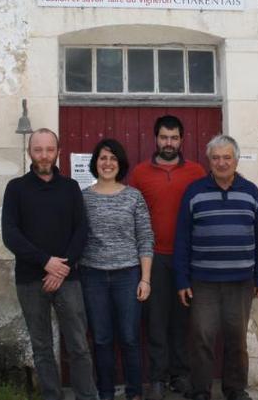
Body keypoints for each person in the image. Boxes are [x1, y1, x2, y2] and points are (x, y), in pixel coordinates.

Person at [1, 128, 98, 400]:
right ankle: (51, 396)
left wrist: (62, 268)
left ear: (58, 152)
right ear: (29, 152)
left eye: (49, 150)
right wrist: (46, 262)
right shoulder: (16, 188)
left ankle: (86, 396)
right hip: (30, 280)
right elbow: (10, 235)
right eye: (38, 150)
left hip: (68, 279)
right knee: (42, 346)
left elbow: (81, 231)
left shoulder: (70, 188)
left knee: (78, 344)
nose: (44, 156)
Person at [173, 134, 258, 400]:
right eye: (216, 157)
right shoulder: (194, 192)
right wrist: (182, 280)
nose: (222, 163)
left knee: (236, 340)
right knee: (201, 338)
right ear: (209, 160)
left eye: (227, 157)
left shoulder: (251, 192)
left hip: (241, 282)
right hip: (203, 282)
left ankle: (235, 390)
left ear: (236, 160)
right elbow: (182, 238)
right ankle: (201, 390)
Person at [130, 115, 205, 400]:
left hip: (188, 258)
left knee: (183, 320)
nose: (169, 143)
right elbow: (133, 216)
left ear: (182, 140)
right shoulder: (139, 173)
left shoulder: (197, 172)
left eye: (174, 138)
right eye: (164, 137)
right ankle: (158, 378)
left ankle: (180, 375)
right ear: (156, 138)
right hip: (154, 258)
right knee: (156, 320)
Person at [80, 138, 154, 400]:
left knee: (130, 337)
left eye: (112, 158)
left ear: (119, 163)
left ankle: (134, 393)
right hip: (93, 276)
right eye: (102, 158)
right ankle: (106, 393)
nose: (107, 163)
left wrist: (145, 279)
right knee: (101, 339)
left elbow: (145, 238)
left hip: (128, 275)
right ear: (95, 163)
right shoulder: (83, 198)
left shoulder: (133, 197)